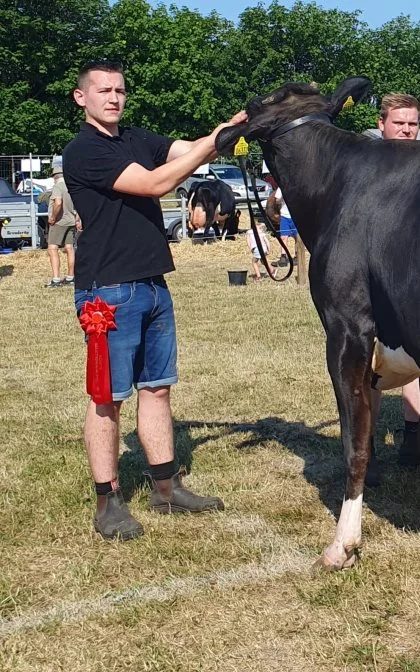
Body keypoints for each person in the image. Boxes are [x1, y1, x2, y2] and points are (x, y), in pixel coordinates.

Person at [63, 60, 243, 541]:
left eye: (120, 89)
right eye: (103, 90)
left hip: (152, 283)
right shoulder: (83, 150)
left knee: (157, 387)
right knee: (108, 399)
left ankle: (166, 488)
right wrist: (211, 142)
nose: (114, 97)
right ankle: (108, 502)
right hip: (108, 291)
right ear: (82, 97)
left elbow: (186, 151)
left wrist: (231, 131)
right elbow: (155, 183)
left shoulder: (136, 137)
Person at [373, 93, 420, 475]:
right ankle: (367, 446)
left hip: (418, 275)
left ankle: (415, 437)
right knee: (368, 364)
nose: (406, 129)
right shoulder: (368, 165)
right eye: (399, 122)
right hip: (374, 273)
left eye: (412, 123)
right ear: (382, 124)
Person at [45, 156, 81, 287]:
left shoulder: (58, 186)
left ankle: (55, 279)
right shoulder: (72, 185)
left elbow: (58, 202)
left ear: (54, 175)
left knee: (52, 248)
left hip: (59, 222)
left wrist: (53, 217)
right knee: (70, 248)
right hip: (71, 220)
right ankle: (71, 277)